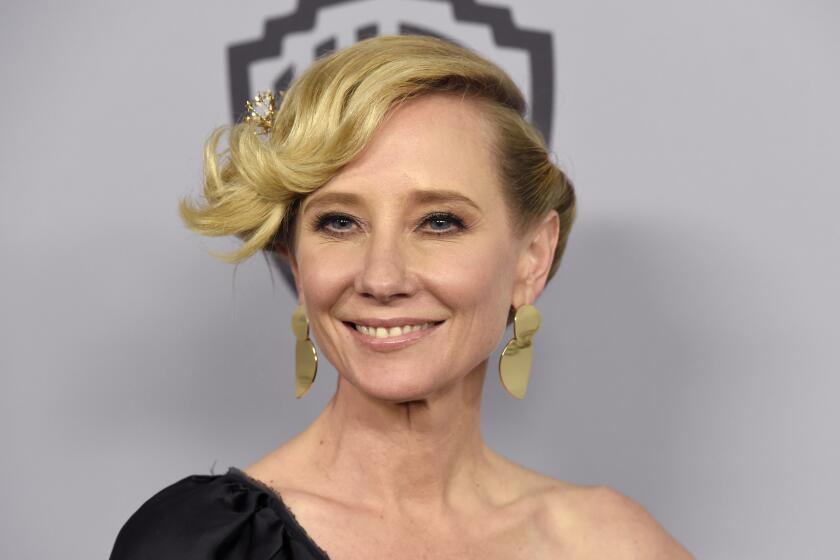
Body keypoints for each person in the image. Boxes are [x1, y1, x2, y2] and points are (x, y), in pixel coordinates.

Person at [109, 35, 692, 559]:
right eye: (339, 222)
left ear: (531, 258)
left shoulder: (612, 544)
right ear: (294, 256)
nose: (382, 278)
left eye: (439, 222)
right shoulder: (198, 546)